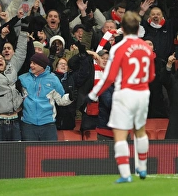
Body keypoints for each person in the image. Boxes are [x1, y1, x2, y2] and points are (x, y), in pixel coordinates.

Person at [88, 11, 155, 183]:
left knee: (119, 133)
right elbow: (151, 75)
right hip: (143, 93)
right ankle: (142, 166)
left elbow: (110, 77)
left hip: (126, 94)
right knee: (139, 130)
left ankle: (125, 174)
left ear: (123, 28)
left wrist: (95, 93)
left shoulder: (118, 48)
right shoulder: (147, 48)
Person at [19, 52, 73, 141]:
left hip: (48, 125)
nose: (31, 65)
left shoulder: (53, 79)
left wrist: (70, 97)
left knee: (50, 154)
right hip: (28, 124)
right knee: (30, 154)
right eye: (31, 63)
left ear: (42, 65)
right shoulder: (22, 79)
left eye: (34, 63)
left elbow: (60, 100)